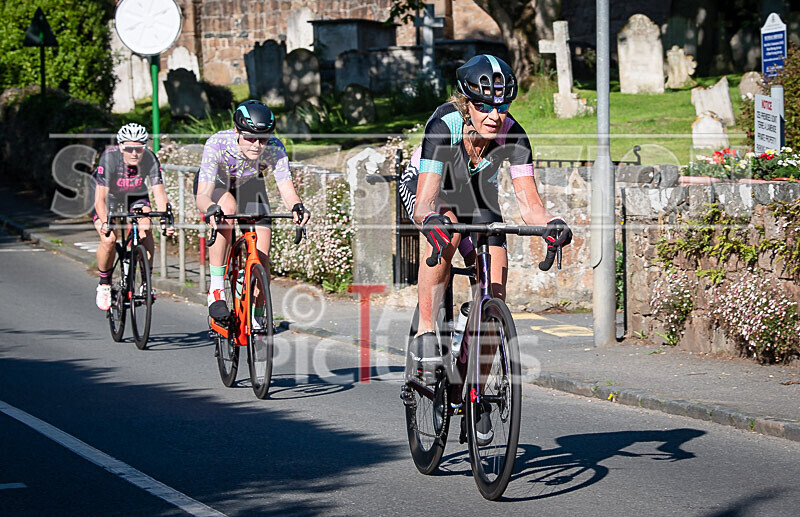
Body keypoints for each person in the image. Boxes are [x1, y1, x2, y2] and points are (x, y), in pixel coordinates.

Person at [399, 54, 573, 398]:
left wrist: (552, 224)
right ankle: (426, 332)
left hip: (477, 198)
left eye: (503, 106)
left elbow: (530, 206)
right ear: (467, 103)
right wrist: (432, 221)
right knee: (446, 232)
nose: (495, 116)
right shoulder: (444, 124)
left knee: (495, 288)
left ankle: (474, 390)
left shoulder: (514, 135)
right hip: (431, 189)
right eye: (484, 106)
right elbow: (425, 204)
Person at [195, 100, 310, 322]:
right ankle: (216, 289)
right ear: (237, 131)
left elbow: (287, 190)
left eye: (263, 139)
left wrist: (297, 206)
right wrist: (210, 209)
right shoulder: (217, 143)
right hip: (217, 185)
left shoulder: (275, 148)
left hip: (249, 185)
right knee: (227, 208)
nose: (257, 145)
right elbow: (202, 195)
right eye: (250, 138)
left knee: (261, 259)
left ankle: (257, 319)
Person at [94, 123, 174, 311]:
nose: (134, 153)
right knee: (108, 239)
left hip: (136, 196)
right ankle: (104, 283)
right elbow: (99, 200)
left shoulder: (150, 159)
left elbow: (159, 193)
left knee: (146, 228)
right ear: (121, 146)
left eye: (139, 148)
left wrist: (165, 220)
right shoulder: (109, 159)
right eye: (129, 148)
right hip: (110, 197)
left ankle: (146, 281)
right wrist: (105, 223)